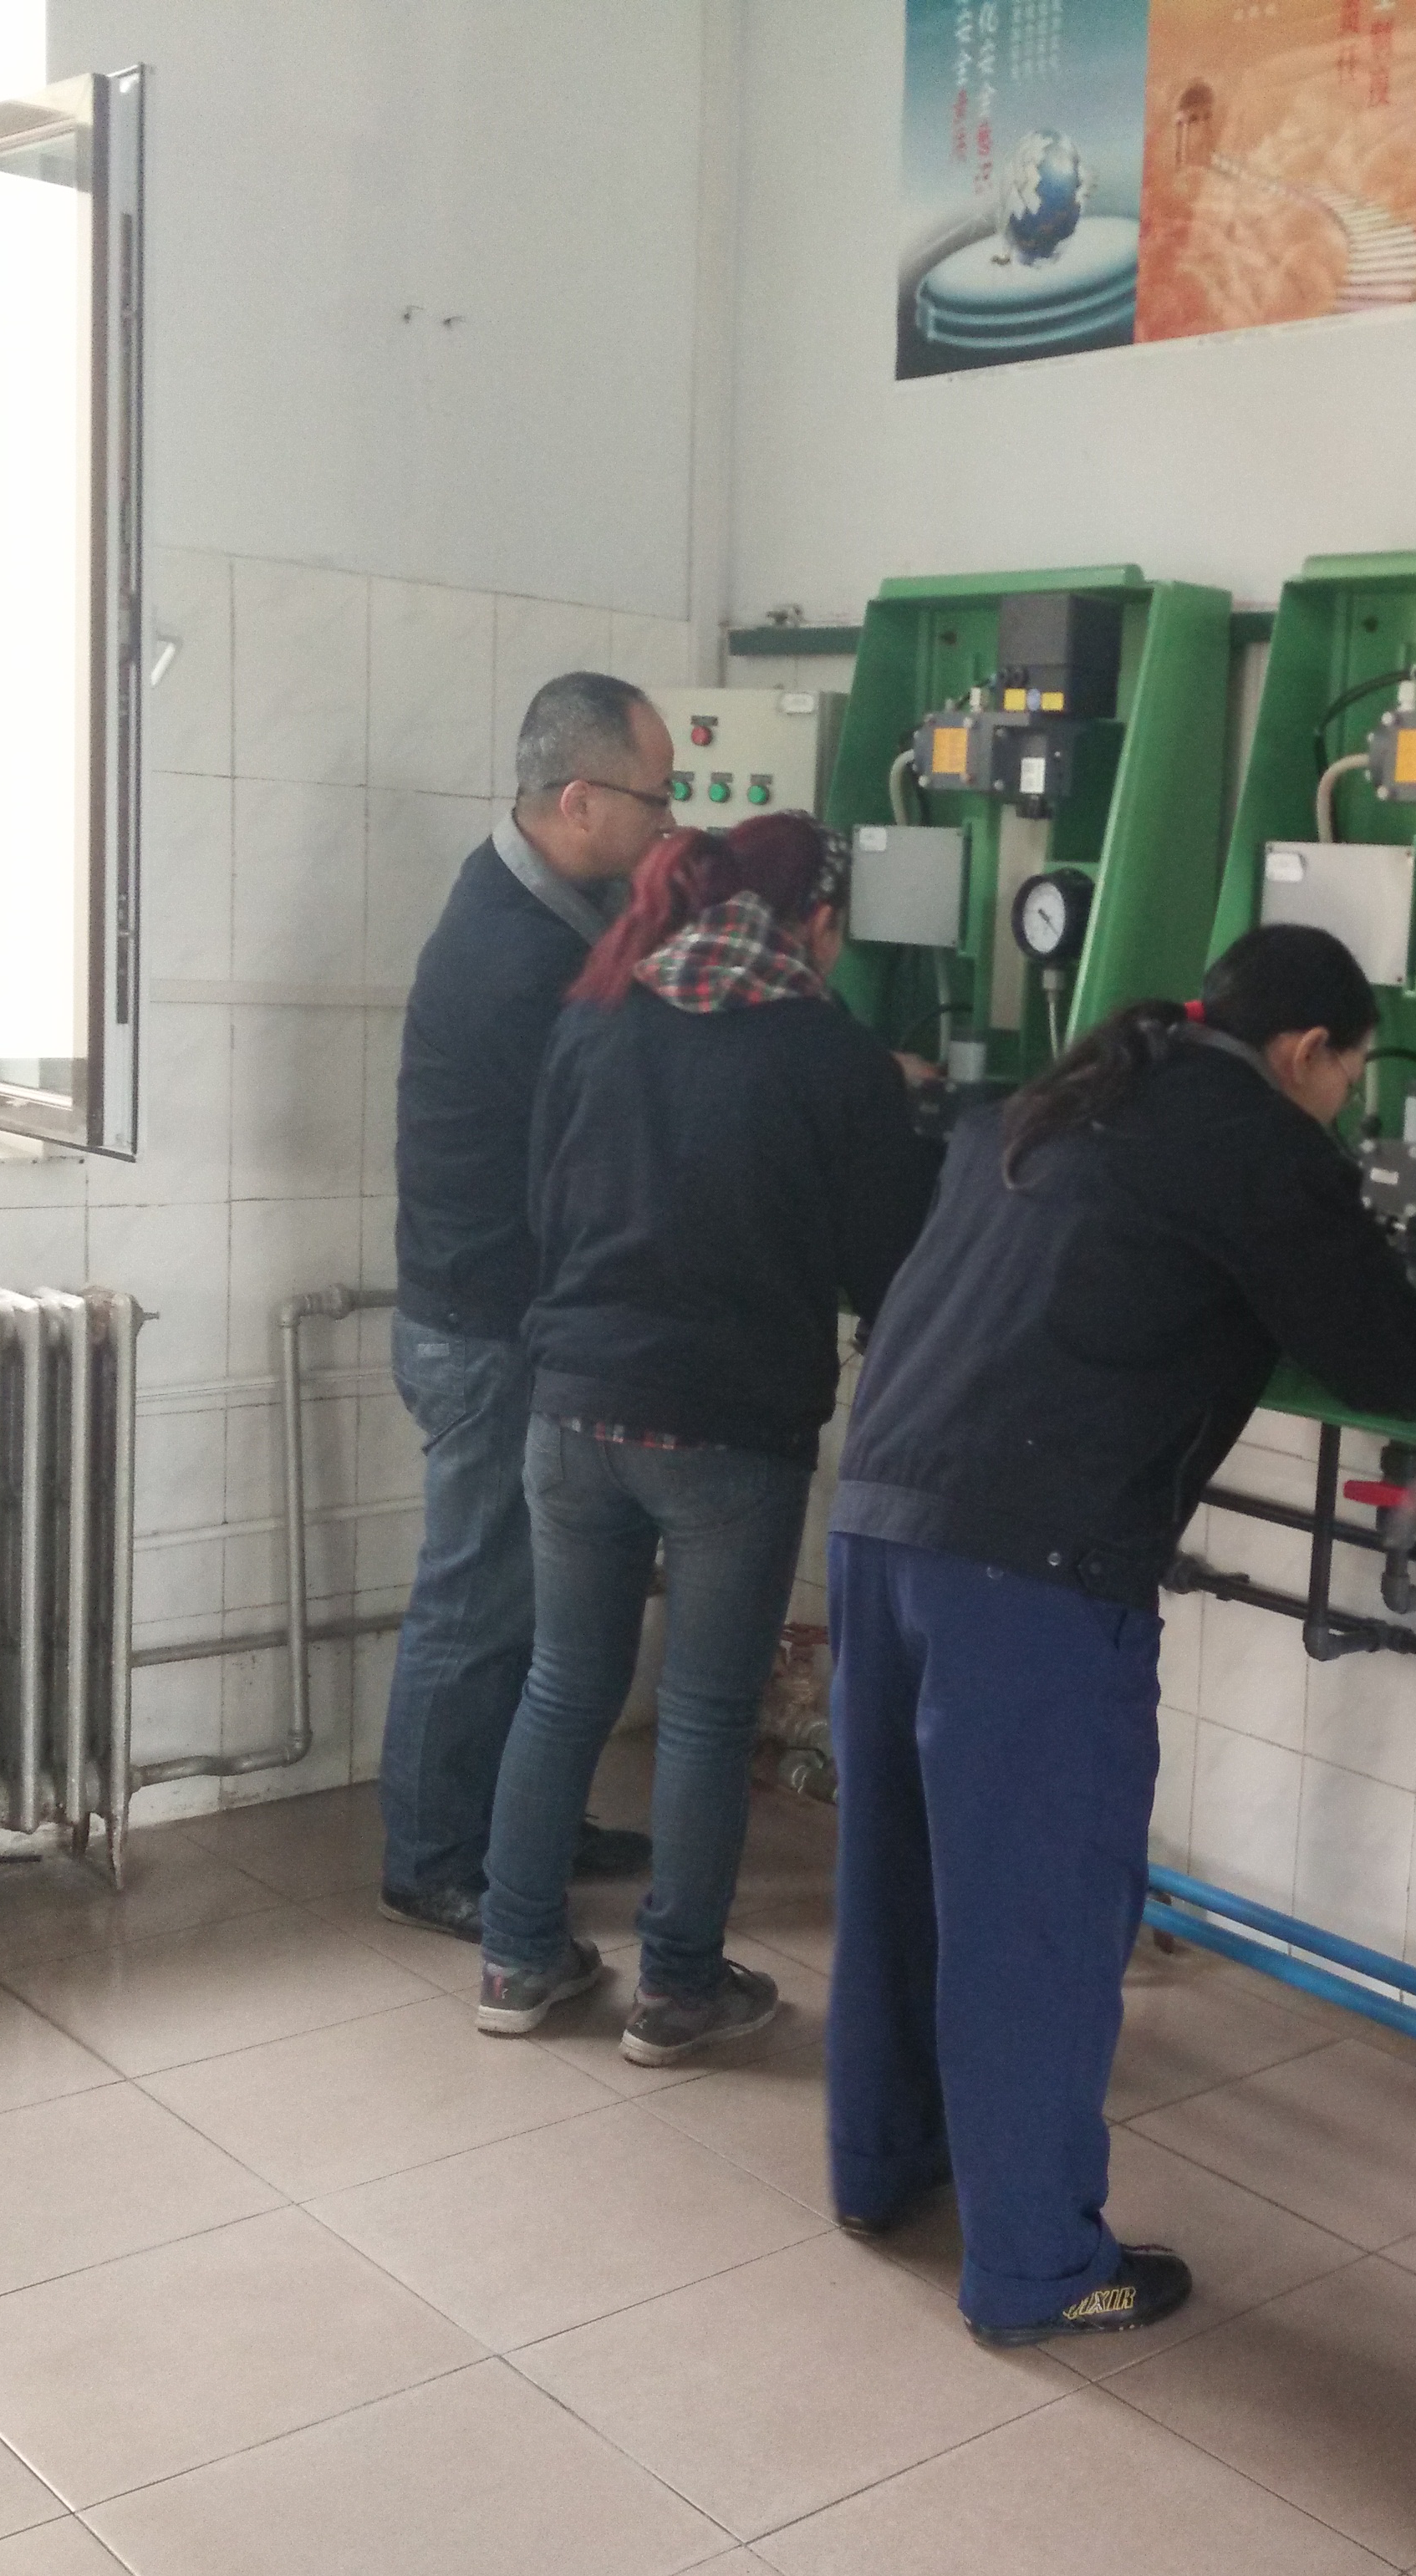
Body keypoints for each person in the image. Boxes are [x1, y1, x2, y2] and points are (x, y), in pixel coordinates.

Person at [823, 924, 1416, 2346]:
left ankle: (881, 2168)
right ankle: (1040, 2268)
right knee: (1039, 1920)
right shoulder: (1258, 1144)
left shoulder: (1057, 1101)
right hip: (1029, 1573)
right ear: (1307, 1051)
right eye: (1348, 1080)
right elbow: (1380, 1348)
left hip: (879, 1526)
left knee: (899, 1881)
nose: (1343, 1109)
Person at [474, 814, 940, 2058]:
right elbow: (886, 1262)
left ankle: (517, 1960)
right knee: (702, 1710)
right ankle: (678, 1989)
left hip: (572, 1403)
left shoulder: (598, 1014)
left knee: (564, 1682)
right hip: (727, 1429)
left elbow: (544, 1201)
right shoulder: (830, 1054)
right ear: (816, 927)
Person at [377, 673, 679, 1939]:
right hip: (484, 1328)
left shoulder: (539, 899)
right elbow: (591, 1138)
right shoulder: (518, 953)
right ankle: (433, 1856)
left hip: (492, 1313)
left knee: (531, 1601)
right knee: (479, 1598)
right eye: (658, 799)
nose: (670, 824)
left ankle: (525, 1825)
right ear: (580, 800)